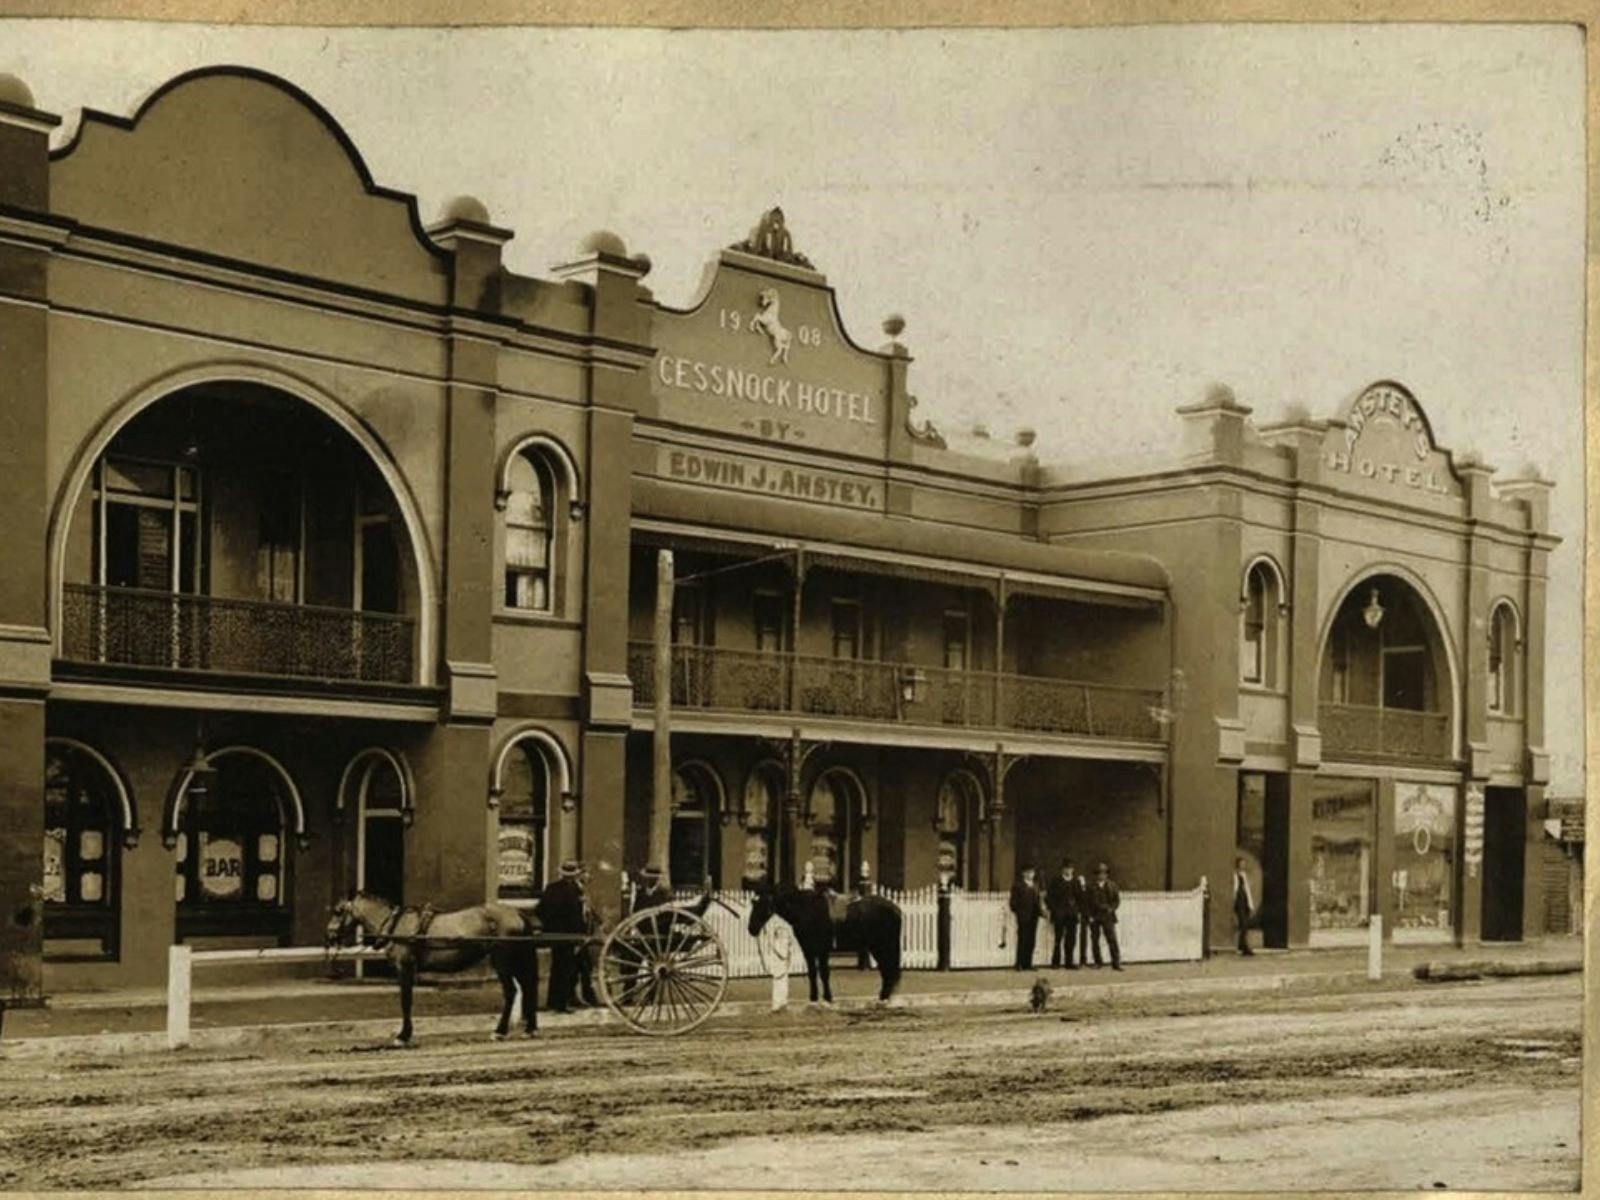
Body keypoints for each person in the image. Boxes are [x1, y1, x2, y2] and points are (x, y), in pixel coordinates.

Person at [538, 860, 586, 1013]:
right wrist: (580, 934)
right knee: (566, 969)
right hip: (569, 935)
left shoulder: (551, 888)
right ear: (574, 875)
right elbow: (576, 916)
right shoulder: (574, 891)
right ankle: (561, 1004)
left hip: (553, 933)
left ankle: (553, 1001)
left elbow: (540, 909)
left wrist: (549, 925)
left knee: (557, 967)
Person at [1045, 858, 1083, 969]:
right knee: (1058, 938)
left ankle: (1069, 962)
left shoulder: (1076, 882)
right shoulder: (1056, 881)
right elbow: (1049, 898)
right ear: (1062, 869)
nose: (1068, 871)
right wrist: (1055, 909)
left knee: (1071, 939)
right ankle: (1055, 962)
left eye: (1070, 868)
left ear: (1073, 870)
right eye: (1066, 868)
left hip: (1072, 915)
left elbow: (1081, 898)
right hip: (1059, 915)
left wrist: (1077, 910)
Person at [1088, 861, 1122, 971]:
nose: (1101, 875)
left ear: (1107, 874)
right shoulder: (1091, 887)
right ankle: (1098, 962)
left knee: (1112, 939)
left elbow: (1117, 901)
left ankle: (1116, 963)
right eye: (1099, 873)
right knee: (1095, 940)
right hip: (1095, 916)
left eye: (1103, 873)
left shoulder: (1112, 886)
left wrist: (1111, 908)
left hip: (1108, 916)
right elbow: (1087, 902)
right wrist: (1090, 915)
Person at [1009, 865, 1043, 971]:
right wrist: (1019, 912)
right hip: (1023, 916)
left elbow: (1038, 901)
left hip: (1034, 916)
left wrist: (1040, 912)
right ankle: (1019, 963)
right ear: (1023, 874)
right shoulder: (1018, 886)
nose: (1030, 874)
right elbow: (1013, 903)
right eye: (1028, 872)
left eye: (1032, 872)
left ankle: (1028, 963)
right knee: (1022, 939)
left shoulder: (1035, 886)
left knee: (1031, 940)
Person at [1233, 856, 1256, 957]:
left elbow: (1247, 891)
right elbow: (1235, 889)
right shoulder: (1235, 875)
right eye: (1241, 864)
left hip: (1245, 901)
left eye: (1244, 864)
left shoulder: (1245, 876)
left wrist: (1250, 904)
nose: (1243, 865)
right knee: (1243, 924)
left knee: (1245, 925)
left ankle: (1242, 945)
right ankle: (1244, 946)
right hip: (1239, 902)